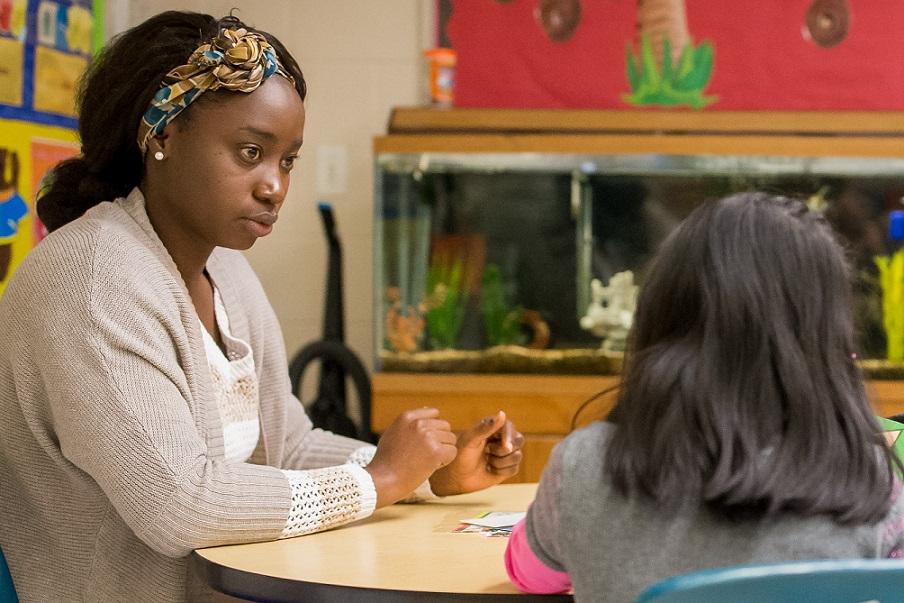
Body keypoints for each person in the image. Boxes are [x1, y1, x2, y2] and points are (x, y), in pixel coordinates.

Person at [0, 11, 524, 601]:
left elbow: (286, 448)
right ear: (162, 136)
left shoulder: (226, 269)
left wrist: (426, 475)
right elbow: (180, 506)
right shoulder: (90, 279)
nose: (274, 185)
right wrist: (378, 481)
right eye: (250, 152)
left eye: (287, 160)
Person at [504, 192, 904, 602]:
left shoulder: (583, 463)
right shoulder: (868, 477)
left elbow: (529, 574)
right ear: (827, 337)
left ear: (660, 313)